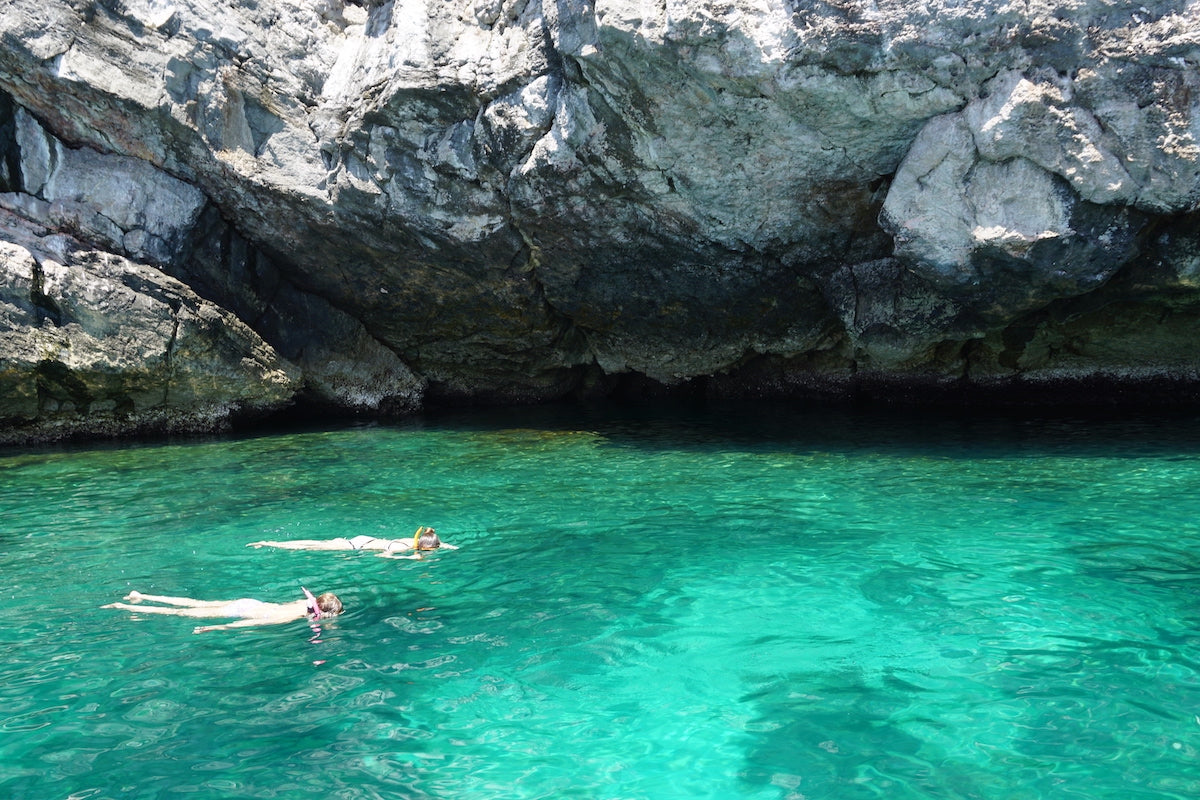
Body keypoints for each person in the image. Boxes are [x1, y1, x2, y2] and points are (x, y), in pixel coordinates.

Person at [102, 586, 344, 633]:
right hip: (239, 613)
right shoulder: (290, 616)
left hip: (247, 603)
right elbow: (253, 623)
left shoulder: (301, 604)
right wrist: (218, 627)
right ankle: (121, 606)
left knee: (193, 604)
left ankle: (140, 595)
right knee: (180, 614)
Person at [247, 526, 456, 559]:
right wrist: (409, 559)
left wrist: (448, 546)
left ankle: (269, 542)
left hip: (364, 539)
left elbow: (436, 542)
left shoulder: (416, 539)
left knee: (315, 542)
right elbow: (388, 551)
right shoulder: (405, 546)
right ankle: (268, 543)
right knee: (309, 545)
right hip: (355, 546)